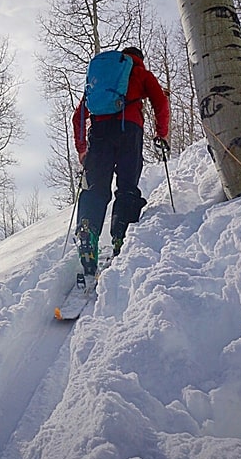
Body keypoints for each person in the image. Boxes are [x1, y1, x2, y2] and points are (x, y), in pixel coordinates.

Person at [72, 45, 170, 288]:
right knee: (126, 186)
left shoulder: (102, 80)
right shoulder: (141, 74)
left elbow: (79, 117)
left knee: (95, 189)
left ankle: (87, 229)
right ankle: (120, 235)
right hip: (130, 132)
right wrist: (162, 135)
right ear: (140, 58)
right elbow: (161, 103)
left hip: (99, 135)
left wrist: (82, 148)